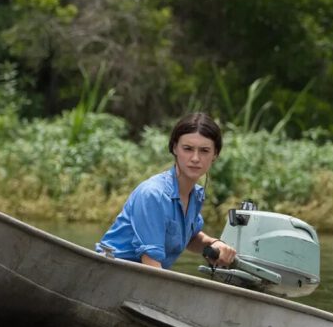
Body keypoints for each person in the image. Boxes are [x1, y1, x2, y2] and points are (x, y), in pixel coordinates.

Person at [97, 112, 237, 269]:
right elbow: (151, 265)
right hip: (109, 270)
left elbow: (189, 238)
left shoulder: (196, 195)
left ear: (215, 154)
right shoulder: (153, 195)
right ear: (175, 148)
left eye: (204, 150)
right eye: (188, 149)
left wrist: (213, 243)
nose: (195, 158)